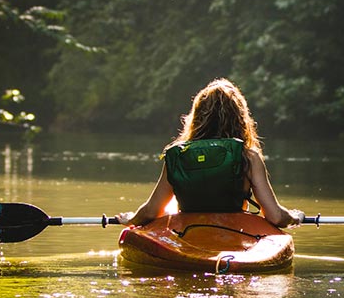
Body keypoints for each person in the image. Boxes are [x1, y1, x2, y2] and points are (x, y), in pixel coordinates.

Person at [116, 79, 304, 228]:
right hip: (235, 232)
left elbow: (151, 212)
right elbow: (275, 216)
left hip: (187, 233)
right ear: (240, 118)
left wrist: (132, 219)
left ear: (197, 117)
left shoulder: (178, 156)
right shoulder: (249, 157)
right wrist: (294, 217)